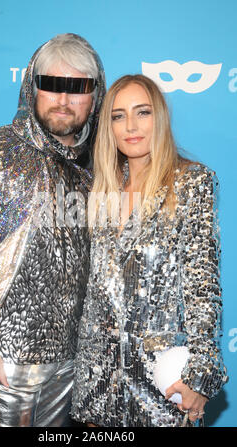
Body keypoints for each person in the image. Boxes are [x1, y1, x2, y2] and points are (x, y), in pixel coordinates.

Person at [0, 33, 106, 427]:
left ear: (95, 98)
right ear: (32, 88)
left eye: (77, 87)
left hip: (73, 369)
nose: (63, 100)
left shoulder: (99, 167)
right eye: (51, 85)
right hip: (5, 369)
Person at [71, 74, 228, 427]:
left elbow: (201, 286)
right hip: (97, 384)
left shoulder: (190, 182)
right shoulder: (97, 190)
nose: (130, 126)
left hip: (162, 385)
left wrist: (200, 372)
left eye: (142, 113)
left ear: (160, 118)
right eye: (117, 115)